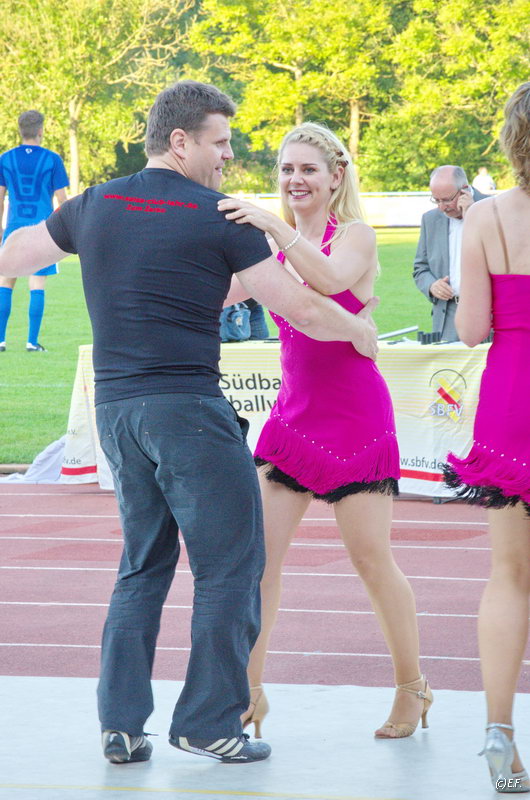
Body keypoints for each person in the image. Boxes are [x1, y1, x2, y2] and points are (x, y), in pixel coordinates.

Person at [0, 81, 379, 766]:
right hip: (187, 413)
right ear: (181, 142)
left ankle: (121, 725)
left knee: (142, 566)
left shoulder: (93, 204)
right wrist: (359, 330)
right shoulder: (220, 216)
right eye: (220, 142)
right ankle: (208, 722)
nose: (229, 155)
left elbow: (14, 256)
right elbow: (298, 306)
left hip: (117, 414)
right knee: (232, 566)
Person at [218, 122, 431, 740]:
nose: (295, 180)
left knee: (371, 561)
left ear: (336, 176)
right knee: (258, 564)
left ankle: (412, 688)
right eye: (286, 169)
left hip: (356, 420)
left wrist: (271, 223)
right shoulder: (272, 247)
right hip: (292, 421)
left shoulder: (355, 235)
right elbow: (219, 294)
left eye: (308, 169)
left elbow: (333, 281)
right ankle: (248, 692)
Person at [444, 82, 530, 793]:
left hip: (510, 397)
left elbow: (472, 329)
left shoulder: (484, 216)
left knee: (509, 575)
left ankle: (500, 735)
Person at [0, 110, 68, 352]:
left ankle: (1, 340)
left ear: (20, 131)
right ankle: (31, 342)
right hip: (43, 230)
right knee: (37, 283)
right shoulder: (53, 159)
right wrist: (66, 230)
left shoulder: (5, 159)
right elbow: (63, 200)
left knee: (5, 281)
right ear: (40, 131)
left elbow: (0, 198)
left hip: (13, 228)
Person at [413, 165, 488, 342]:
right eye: (436, 200)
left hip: (489, 316)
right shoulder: (430, 219)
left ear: (464, 191)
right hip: (447, 318)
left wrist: (471, 216)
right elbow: (420, 268)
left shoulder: (493, 209)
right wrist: (432, 285)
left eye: (446, 200)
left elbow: (503, 260)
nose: (441, 207)